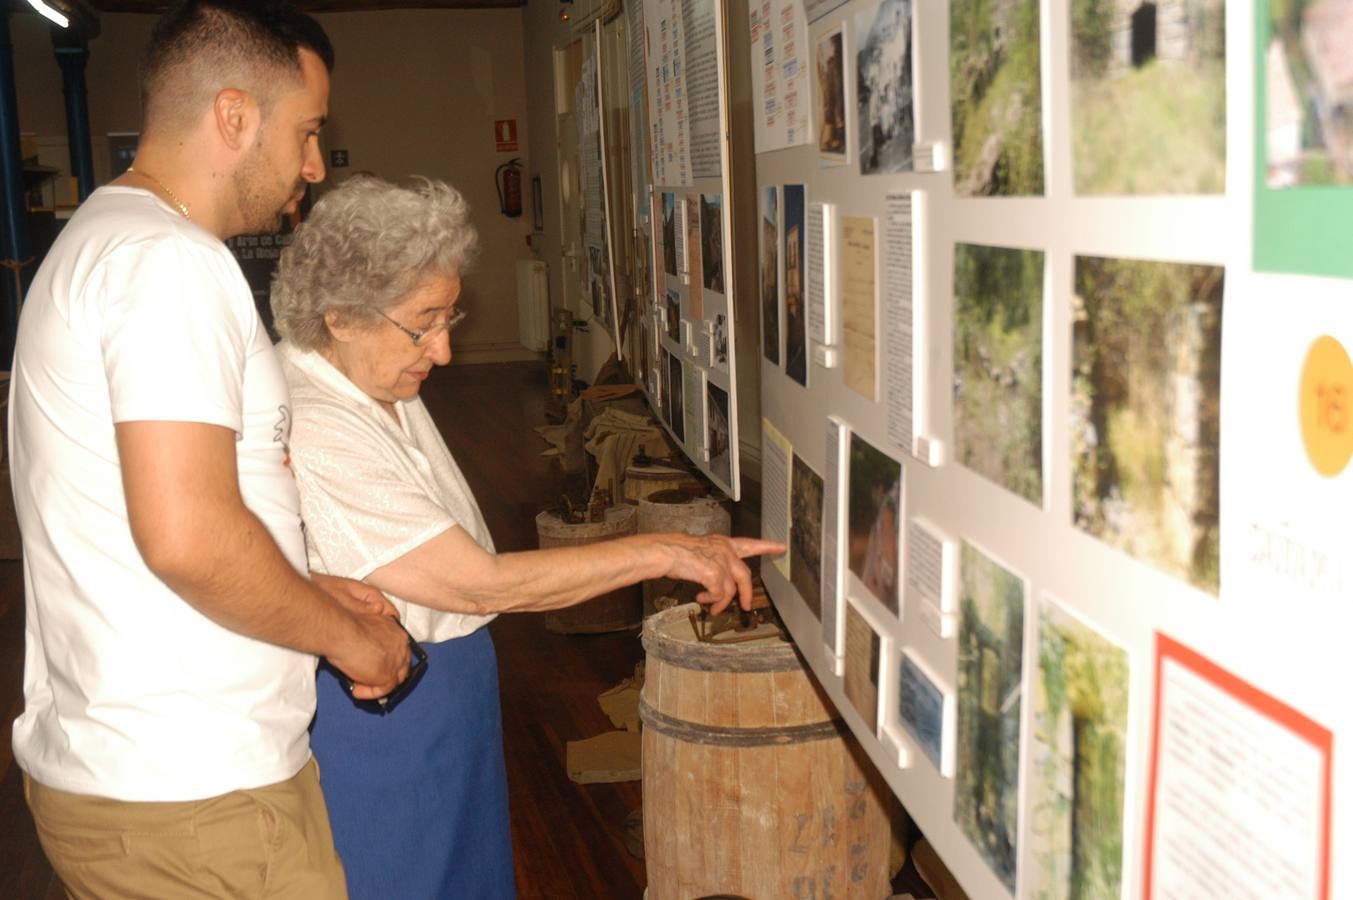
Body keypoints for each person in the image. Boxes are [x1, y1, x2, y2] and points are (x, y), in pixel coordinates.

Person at [270, 175, 784, 899]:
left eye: (451, 317)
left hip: (444, 685)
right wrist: (669, 551)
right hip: (382, 710)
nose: (443, 351)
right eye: (425, 323)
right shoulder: (316, 421)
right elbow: (477, 582)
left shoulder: (373, 377)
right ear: (342, 318)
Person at [8, 2, 412, 897]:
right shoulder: (167, 264)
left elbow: (155, 513)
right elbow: (188, 539)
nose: (314, 164)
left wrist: (300, 585)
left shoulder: (102, 244)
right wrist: (349, 641)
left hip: (151, 783)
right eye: (306, 132)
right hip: (198, 801)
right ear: (233, 115)